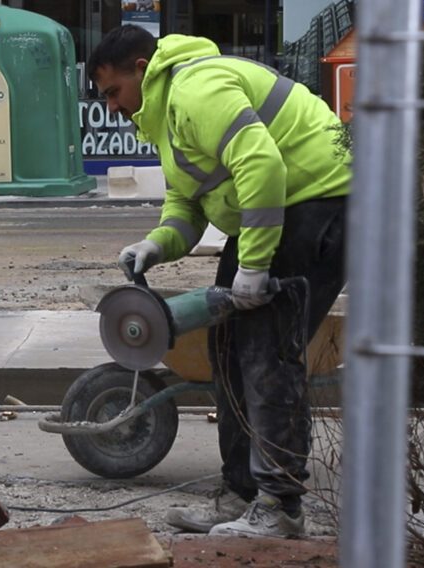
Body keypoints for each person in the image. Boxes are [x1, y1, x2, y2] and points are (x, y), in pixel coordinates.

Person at [87, 25, 350, 538]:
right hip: (278, 213)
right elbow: (187, 206)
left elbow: (262, 166)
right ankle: (240, 494)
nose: (112, 107)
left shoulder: (196, 89)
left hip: (319, 203)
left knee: (267, 354)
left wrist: (252, 267)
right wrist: (157, 244)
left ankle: (280, 506)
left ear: (142, 69)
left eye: (113, 92)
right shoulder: (165, 116)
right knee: (227, 349)